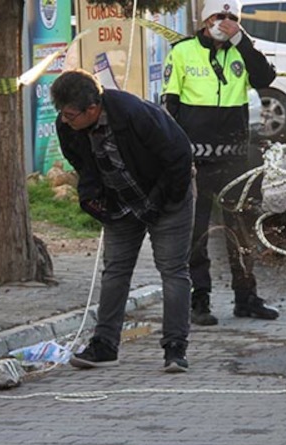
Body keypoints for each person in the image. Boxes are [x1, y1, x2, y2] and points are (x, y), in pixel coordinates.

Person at [51, 69, 194, 373]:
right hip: (120, 202)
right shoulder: (67, 126)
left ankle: (175, 347)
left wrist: (160, 201)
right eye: (62, 114)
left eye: (71, 115)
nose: (65, 121)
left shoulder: (134, 113)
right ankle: (104, 345)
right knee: (115, 270)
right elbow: (83, 165)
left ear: (93, 108)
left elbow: (180, 155)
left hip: (169, 193)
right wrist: (96, 198)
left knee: (172, 269)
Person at [161, 0, 279, 326]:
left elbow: (265, 78)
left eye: (232, 18)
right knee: (197, 233)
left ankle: (246, 297)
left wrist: (241, 39)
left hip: (235, 159)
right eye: (218, 16)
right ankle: (200, 300)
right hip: (196, 161)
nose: (225, 23)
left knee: (240, 231)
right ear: (204, 20)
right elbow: (169, 103)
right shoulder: (183, 51)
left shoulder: (243, 49)